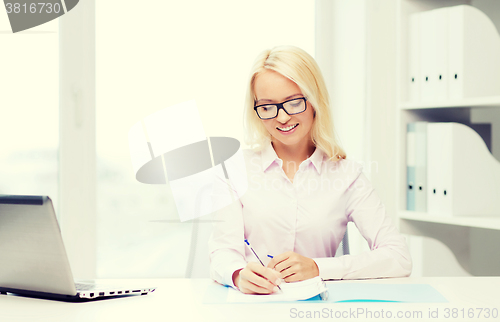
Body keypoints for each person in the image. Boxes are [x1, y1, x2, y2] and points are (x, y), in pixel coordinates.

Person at [208, 45, 412, 295]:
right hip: (254, 307)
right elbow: (222, 253)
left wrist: (318, 267)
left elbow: (398, 257)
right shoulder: (234, 170)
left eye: (293, 103)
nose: (281, 118)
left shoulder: (347, 175)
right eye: (267, 107)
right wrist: (238, 274)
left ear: (314, 101)